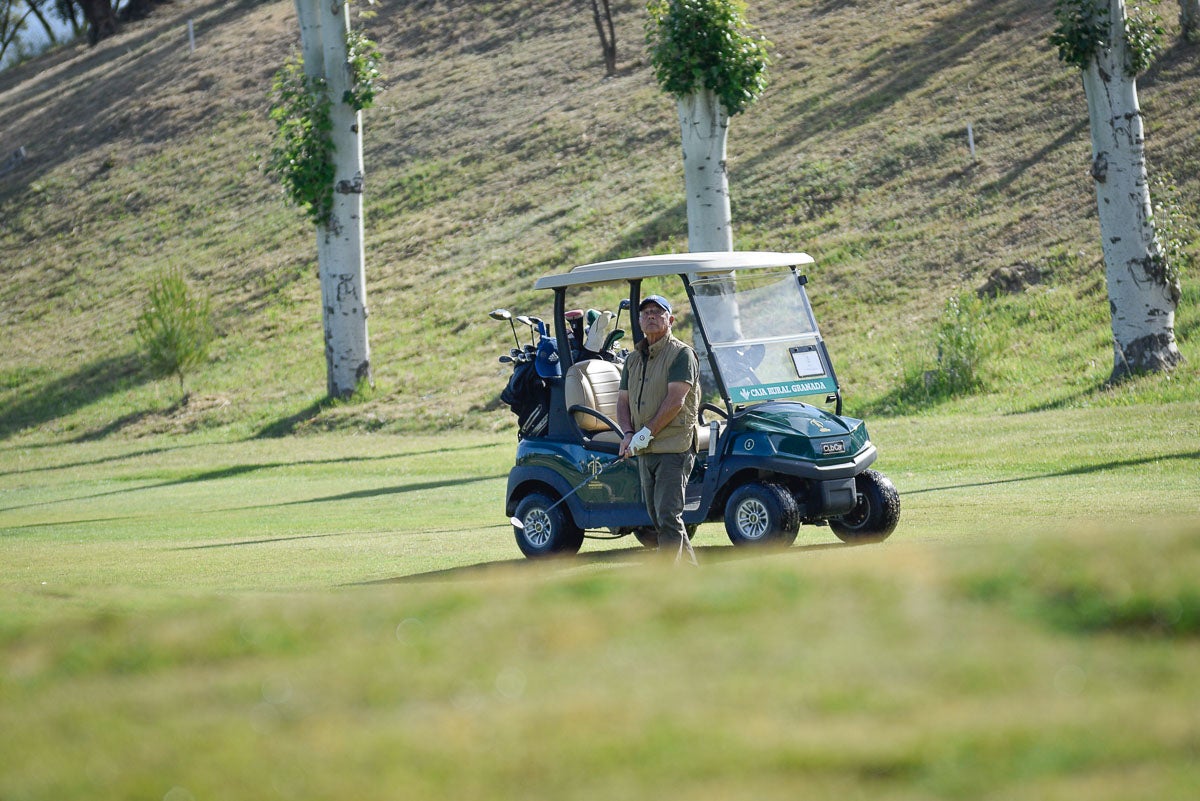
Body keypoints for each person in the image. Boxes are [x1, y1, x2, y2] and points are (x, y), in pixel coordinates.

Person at [617, 294, 701, 563]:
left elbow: (675, 401)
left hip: (673, 447)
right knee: (659, 517)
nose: (651, 316)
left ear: (670, 319)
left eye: (657, 311)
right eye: (645, 313)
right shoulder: (633, 359)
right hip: (645, 448)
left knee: (667, 516)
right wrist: (628, 434)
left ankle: (666, 581)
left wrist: (645, 433)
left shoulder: (681, 354)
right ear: (640, 320)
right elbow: (623, 401)